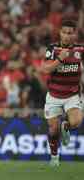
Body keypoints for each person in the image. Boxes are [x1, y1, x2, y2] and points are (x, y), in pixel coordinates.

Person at [40, 20, 84, 166]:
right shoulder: (52, 49)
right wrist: (60, 59)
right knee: (53, 130)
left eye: (70, 33)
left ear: (74, 35)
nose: (66, 36)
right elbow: (45, 69)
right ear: (60, 33)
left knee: (76, 122)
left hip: (72, 95)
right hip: (54, 96)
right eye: (64, 32)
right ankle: (54, 157)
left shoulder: (80, 50)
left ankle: (66, 126)